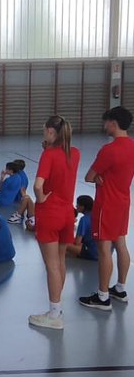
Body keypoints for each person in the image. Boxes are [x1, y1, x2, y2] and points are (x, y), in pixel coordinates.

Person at [80, 106, 134, 310]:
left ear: (113, 122)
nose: (104, 126)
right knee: (120, 243)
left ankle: (102, 296)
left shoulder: (109, 150)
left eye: (106, 122)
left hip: (107, 205)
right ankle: (120, 288)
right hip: (123, 201)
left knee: (104, 249)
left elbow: (88, 176)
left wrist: (98, 178)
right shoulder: (132, 146)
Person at [29, 115, 80, 330]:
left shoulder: (49, 156)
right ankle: (57, 307)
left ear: (51, 132)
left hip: (50, 214)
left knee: (51, 266)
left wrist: (40, 199)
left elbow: (38, 185)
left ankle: (53, 314)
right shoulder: (74, 153)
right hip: (68, 213)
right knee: (60, 262)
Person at [66, 195, 98, 261]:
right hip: (103, 252)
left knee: (63, 244)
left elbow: (77, 242)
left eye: (77, 204)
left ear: (82, 207)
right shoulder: (96, 216)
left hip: (93, 253)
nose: (76, 206)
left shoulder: (84, 220)